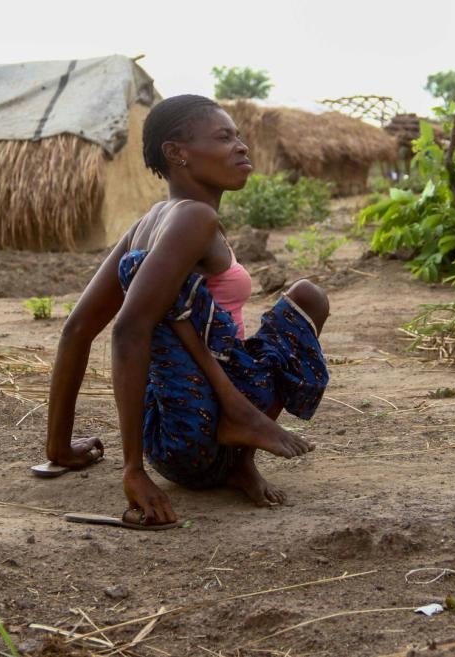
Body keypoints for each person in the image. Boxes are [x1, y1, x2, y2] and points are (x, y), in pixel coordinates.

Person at [44, 94, 330, 525]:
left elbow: (77, 329)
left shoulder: (151, 221)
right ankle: (238, 434)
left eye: (237, 136)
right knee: (310, 297)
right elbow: (127, 330)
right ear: (177, 153)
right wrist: (132, 471)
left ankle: (239, 459)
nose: (241, 146)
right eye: (223, 137)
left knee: (300, 300)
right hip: (194, 431)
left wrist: (59, 449)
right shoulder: (194, 219)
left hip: (172, 439)